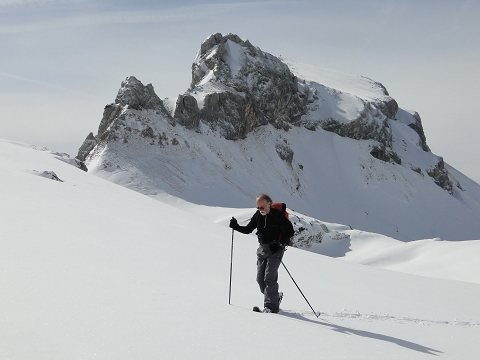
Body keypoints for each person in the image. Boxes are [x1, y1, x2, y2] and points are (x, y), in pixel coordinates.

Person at [229, 194, 294, 313]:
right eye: (258, 208)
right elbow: (248, 229)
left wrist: (279, 244)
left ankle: (271, 307)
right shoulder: (258, 215)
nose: (260, 210)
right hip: (262, 249)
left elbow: (290, 231)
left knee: (269, 278)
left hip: (276, 250)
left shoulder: (277, 215)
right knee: (260, 279)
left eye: (262, 207)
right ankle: (275, 297)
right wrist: (236, 226)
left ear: (269, 204)